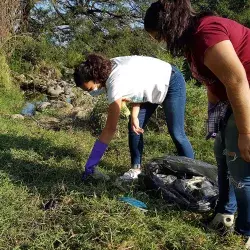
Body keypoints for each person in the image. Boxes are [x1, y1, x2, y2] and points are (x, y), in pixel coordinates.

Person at [143, 0, 250, 247]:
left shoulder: (206, 33)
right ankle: (225, 214)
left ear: (169, 26)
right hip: (232, 102)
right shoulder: (191, 43)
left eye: (159, 35)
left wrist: (245, 132)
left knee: (241, 171)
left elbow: (236, 80)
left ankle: (246, 231)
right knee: (223, 158)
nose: (160, 42)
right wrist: (215, 121)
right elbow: (213, 83)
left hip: (244, 96)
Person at [73, 54, 194, 181]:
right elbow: (139, 88)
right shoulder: (106, 68)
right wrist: (135, 116)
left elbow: (110, 129)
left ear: (96, 78)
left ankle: (192, 175)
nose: (91, 93)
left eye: (90, 89)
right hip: (151, 83)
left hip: (171, 80)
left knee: (177, 133)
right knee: (134, 126)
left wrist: (90, 165)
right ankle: (135, 169)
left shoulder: (115, 83)